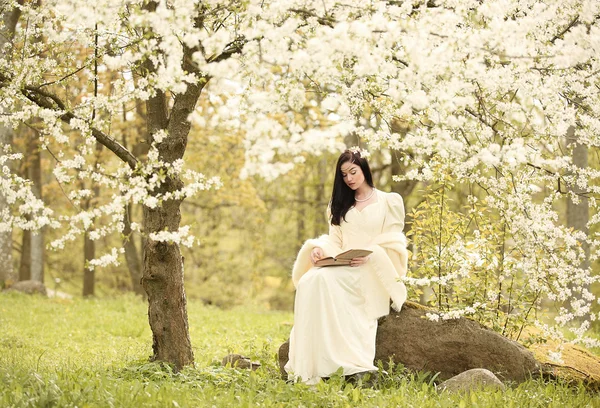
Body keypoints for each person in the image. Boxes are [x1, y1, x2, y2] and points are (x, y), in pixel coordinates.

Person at [284, 149, 409, 385]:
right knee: (312, 280)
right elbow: (336, 241)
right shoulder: (339, 204)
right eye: (344, 174)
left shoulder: (388, 201)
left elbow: (394, 241)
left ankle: (346, 359)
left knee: (324, 280)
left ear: (364, 169)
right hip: (344, 262)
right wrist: (320, 248)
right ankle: (312, 361)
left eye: (353, 171)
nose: (349, 178)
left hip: (372, 266)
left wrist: (372, 255)